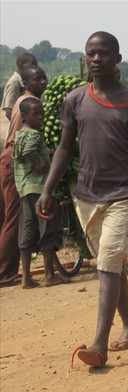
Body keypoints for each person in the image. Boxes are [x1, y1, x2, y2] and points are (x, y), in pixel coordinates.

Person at [37, 31, 128, 369]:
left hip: (123, 195)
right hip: (87, 196)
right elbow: (64, 148)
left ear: (117, 59)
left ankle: (99, 345)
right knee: (112, 263)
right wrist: (47, 189)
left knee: (107, 263)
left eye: (103, 53)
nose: (95, 59)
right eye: (90, 53)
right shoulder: (76, 99)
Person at [0, 64, 48, 286]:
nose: (43, 82)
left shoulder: (25, 103)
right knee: (15, 218)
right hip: (17, 164)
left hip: (12, 160)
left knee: (14, 217)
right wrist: (40, 162)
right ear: (25, 83)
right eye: (38, 79)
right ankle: (6, 272)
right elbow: (24, 144)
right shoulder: (28, 104)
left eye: (44, 78)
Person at [13, 98, 64, 288]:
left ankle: (26, 277)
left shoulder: (19, 134)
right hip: (39, 188)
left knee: (27, 230)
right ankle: (49, 275)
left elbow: (18, 155)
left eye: (42, 113)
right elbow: (28, 152)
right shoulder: (34, 135)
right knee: (47, 228)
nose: (41, 117)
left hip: (25, 188)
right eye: (36, 114)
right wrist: (42, 164)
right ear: (24, 116)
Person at [2, 52, 36, 121]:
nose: (34, 69)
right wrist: (22, 127)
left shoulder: (24, 82)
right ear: (21, 66)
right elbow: (9, 111)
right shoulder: (14, 83)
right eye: (31, 66)